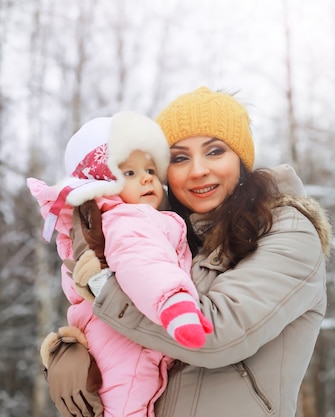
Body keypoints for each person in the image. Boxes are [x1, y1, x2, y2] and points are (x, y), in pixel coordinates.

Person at [41, 86, 332, 417]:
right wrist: (68, 351)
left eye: (215, 151)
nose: (197, 170)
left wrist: (102, 288)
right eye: (179, 158)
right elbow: (119, 332)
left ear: (241, 158)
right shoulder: (166, 233)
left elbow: (219, 334)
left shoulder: (288, 231)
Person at [28, 111, 213, 417]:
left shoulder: (109, 219)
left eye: (151, 169)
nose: (147, 178)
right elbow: (142, 263)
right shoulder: (128, 219)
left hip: (116, 336)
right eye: (129, 173)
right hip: (125, 344)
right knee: (127, 404)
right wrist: (174, 303)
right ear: (103, 184)